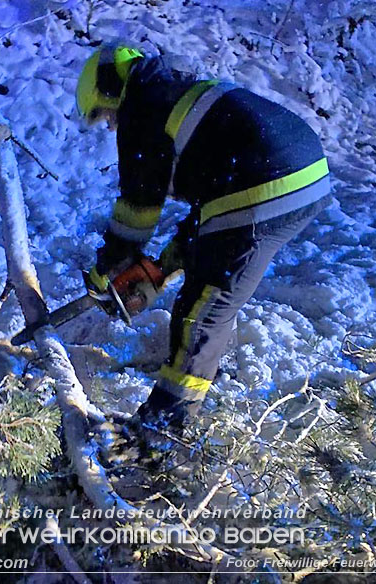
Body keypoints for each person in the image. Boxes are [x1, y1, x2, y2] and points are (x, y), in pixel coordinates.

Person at [76, 46, 332, 428]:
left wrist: (109, 266)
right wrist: (166, 264)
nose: (112, 126)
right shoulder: (173, 93)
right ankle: (177, 407)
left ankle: (164, 431)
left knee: (202, 309)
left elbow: (139, 205)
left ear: (112, 91)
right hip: (300, 176)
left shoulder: (143, 108)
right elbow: (213, 200)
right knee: (208, 278)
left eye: (106, 115)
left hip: (264, 185)